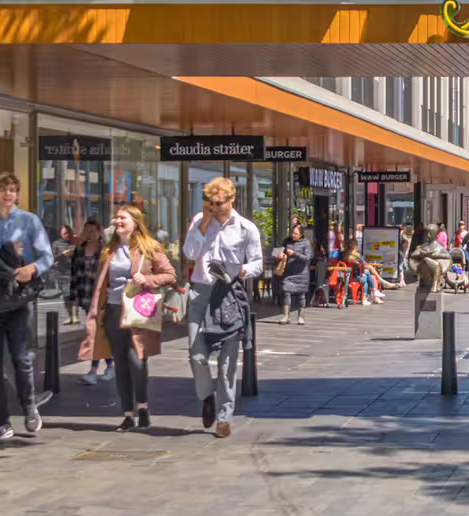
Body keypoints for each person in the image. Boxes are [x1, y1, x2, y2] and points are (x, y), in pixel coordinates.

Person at [0, 171, 54, 444]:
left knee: (21, 359)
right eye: (3, 189)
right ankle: (2, 422)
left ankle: (28, 407)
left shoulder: (29, 221)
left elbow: (47, 256)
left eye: (12, 190)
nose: (8, 194)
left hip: (17, 298)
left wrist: (32, 269)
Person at [182, 177, 263, 439]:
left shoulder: (245, 228)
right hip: (201, 292)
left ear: (231, 199)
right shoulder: (199, 221)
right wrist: (204, 224)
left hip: (229, 293)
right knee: (196, 355)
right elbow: (190, 253)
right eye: (210, 203)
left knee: (227, 363)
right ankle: (207, 396)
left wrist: (241, 270)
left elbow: (258, 264)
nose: (215, 207)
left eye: (219, 203)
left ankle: (224, 416)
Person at [87, 203, 177, 431]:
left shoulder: (149, 247)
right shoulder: (110, 249)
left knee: (136, 360)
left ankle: (143, 407)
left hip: (138, 311)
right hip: (114, 311)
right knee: (120, 363)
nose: (117, 222)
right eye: (116, 218)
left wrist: (148, 281)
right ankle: (127, 414)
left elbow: (169, 275)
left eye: (122, 218)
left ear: (135, 222)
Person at [69, 220, 112, 386]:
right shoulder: (79, 250)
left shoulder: (105, 251)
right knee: (97, 333)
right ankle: (109, 367)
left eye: (92, 231)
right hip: (86, 295)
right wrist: (73, 296)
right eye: (86, 231)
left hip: (102, 297)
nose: (89, 234)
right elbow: (74, 274)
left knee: (96, 333)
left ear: (99, 232)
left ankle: (96, 370)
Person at [408, 223, 450, 334]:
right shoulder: (423, 247)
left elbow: (447, 260)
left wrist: (434, 258)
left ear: (434, 234)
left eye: (428, 233)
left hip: (435, 271)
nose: (426, 235)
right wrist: (418, 265)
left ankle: (435, 285)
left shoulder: (439, 248)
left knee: (435, 265)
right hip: (424, 277)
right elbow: (412, 259)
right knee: (426, 261)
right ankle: (430, 284)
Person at [274, 221, 313, 325]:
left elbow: (307, 258)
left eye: (296, 233)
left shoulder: (306, 243)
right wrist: (279, 255)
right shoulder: (287, 241)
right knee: (286, 292)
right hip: (288, 272)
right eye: (292, 233)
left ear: (301, 234)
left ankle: (301, 317)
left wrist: (295, 254)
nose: (293, 235)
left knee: (301, 295)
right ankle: (286, 315)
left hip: (301, 273)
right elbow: (278, 251)